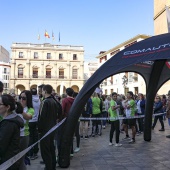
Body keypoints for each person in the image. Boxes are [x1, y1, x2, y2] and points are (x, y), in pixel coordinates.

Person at [38, 84, 59, 170]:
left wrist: (39, 129)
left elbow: (41, 117)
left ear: (45, 91)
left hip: (45, 130)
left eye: (42, 91)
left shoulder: (45, 102)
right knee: (51, 149)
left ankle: (49, 167)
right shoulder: (54, 101)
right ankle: (52, 166)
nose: (41, 92)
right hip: (52, 128)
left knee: (45, 151)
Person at [0, 94, 24, 169]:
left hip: (8, 161)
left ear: (7, 107)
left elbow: (1, 144)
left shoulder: (9, 123)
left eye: (0, 104)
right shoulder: (10, 120)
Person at [19, 90, 34, 170]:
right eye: (20, 97)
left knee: (21, 159)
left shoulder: (30, 109)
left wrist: (20, 110)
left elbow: (27, 117)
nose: (21, 100)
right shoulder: (16, 107)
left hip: (23, 136)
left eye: (24, 98)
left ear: (28, 99)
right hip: (14, 136)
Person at [61, 88, 74, 156]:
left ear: (66, 93)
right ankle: (71, 151)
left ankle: (66, 151)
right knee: (71, 136)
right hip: (73, 120)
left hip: (65, 120)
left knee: (65, 136)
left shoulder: (65, 100)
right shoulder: (75, 100)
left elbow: (62, 110)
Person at [28, 88, 40, 160]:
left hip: (30, 120)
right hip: (36, 120)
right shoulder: (39, 99)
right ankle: (35, 152)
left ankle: (31, 153)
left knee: (30, 138)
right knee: (35, 137)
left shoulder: (29, 100)